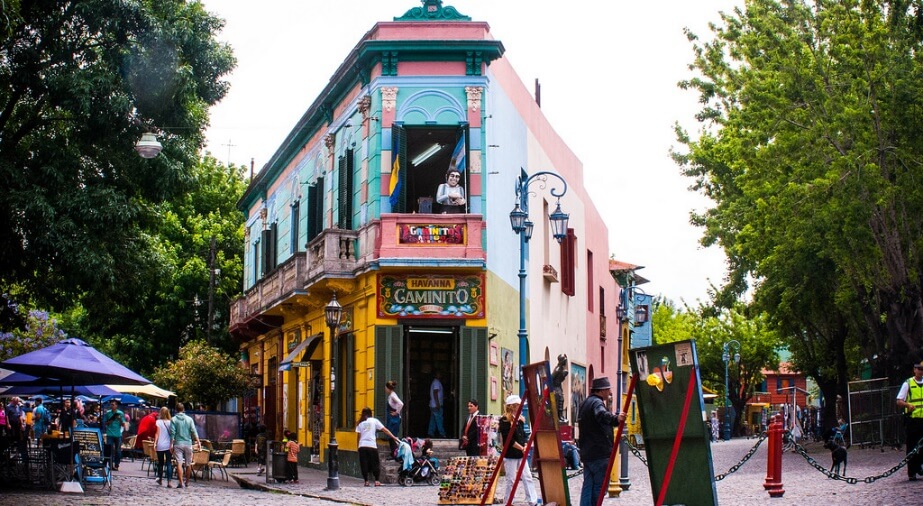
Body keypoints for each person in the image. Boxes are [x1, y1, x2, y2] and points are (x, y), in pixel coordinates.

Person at [577, 377, 626, 506]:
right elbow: (601, 415)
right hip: (599, 452)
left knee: (587, 486)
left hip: (587, 452)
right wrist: (616, 419)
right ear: (602, 390)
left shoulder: (585, 403)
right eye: (608, 389)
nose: (609, 392)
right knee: (600, 486)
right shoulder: (597, 403)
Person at [499, 394, 539, 506]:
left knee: (527, 476)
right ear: (513, 406)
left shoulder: (520, 420)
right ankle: (508, 501)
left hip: (521, 453)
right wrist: (522, 448)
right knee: (510, 480)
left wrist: (525, 445)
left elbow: (523, 435)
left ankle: (532, 500)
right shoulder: (504, 421)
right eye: (518, 405)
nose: (521, 408)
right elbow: (509, 439)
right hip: (511, 454)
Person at [355, 407, 398, 487]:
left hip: (362, 446)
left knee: (364, 463)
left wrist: (358, 447)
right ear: (371, 413)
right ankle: (377, 481)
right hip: (372, 445)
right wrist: (394, 437)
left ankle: (366, 481)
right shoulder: (374, 421)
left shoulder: (360, 423)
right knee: (375, 463)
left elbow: (358, 436)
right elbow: (385, 430)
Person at [897, 360, 923, 481]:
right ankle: (912, 472)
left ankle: (919, 466)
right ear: (915, 370)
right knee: (912, 446)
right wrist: (908, 405)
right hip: (913, 420)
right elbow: (899, 400)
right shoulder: (908, 383)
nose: (921, 371)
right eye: (919, 369)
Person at [171, 402, 201, 489]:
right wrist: (198, 442)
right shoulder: (189, 419)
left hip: (178, 444)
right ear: (183, 409)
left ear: (176, 410)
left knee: (179, 463)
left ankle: (181, 482)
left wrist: (171, 444)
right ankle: (187, 482)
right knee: (188, 464)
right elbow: (194, 431)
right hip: (188, 444)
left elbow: (172, 433)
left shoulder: (173, 419)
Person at [102, 400, 125, 471]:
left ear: (116, 406)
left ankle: (116, 464)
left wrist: (120, 419)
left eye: (113, 405)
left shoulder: (120, 413)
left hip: (118, 434)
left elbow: (123, 424)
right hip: (110, 433)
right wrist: (111, 420)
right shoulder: (108, 413)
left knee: (117, 450)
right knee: (110, 450)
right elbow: (105, 423)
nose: (112, 406)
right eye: (111, 404)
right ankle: (110, 464)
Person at [154, 406, 174, 487]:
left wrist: (155, 443)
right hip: (168, 445)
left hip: (160, 445)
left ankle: (160, 479)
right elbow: (173, 434)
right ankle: (169, 481)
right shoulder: (171, 422)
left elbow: (157, 433)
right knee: (169, 463)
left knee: (161, 463)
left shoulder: (158, 422)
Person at [384, 380, 404, 454]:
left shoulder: (393, 395)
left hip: (394, 419)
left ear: (388, 388)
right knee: (391, 435)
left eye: (385, 388)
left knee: (392, 436)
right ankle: (393, 452)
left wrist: (396, 412)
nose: (385, 389)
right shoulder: (391, 395)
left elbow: (401, 403)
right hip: (391, 419)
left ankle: (394, 453)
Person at [428, 371, 446, 438]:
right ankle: (442, 433)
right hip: (436, 405)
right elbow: (435, 393)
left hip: (433, 404)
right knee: (439, 419)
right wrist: (437, 403)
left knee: (433, 419)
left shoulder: (435, 382)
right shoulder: (436, 382)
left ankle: (430, 432)